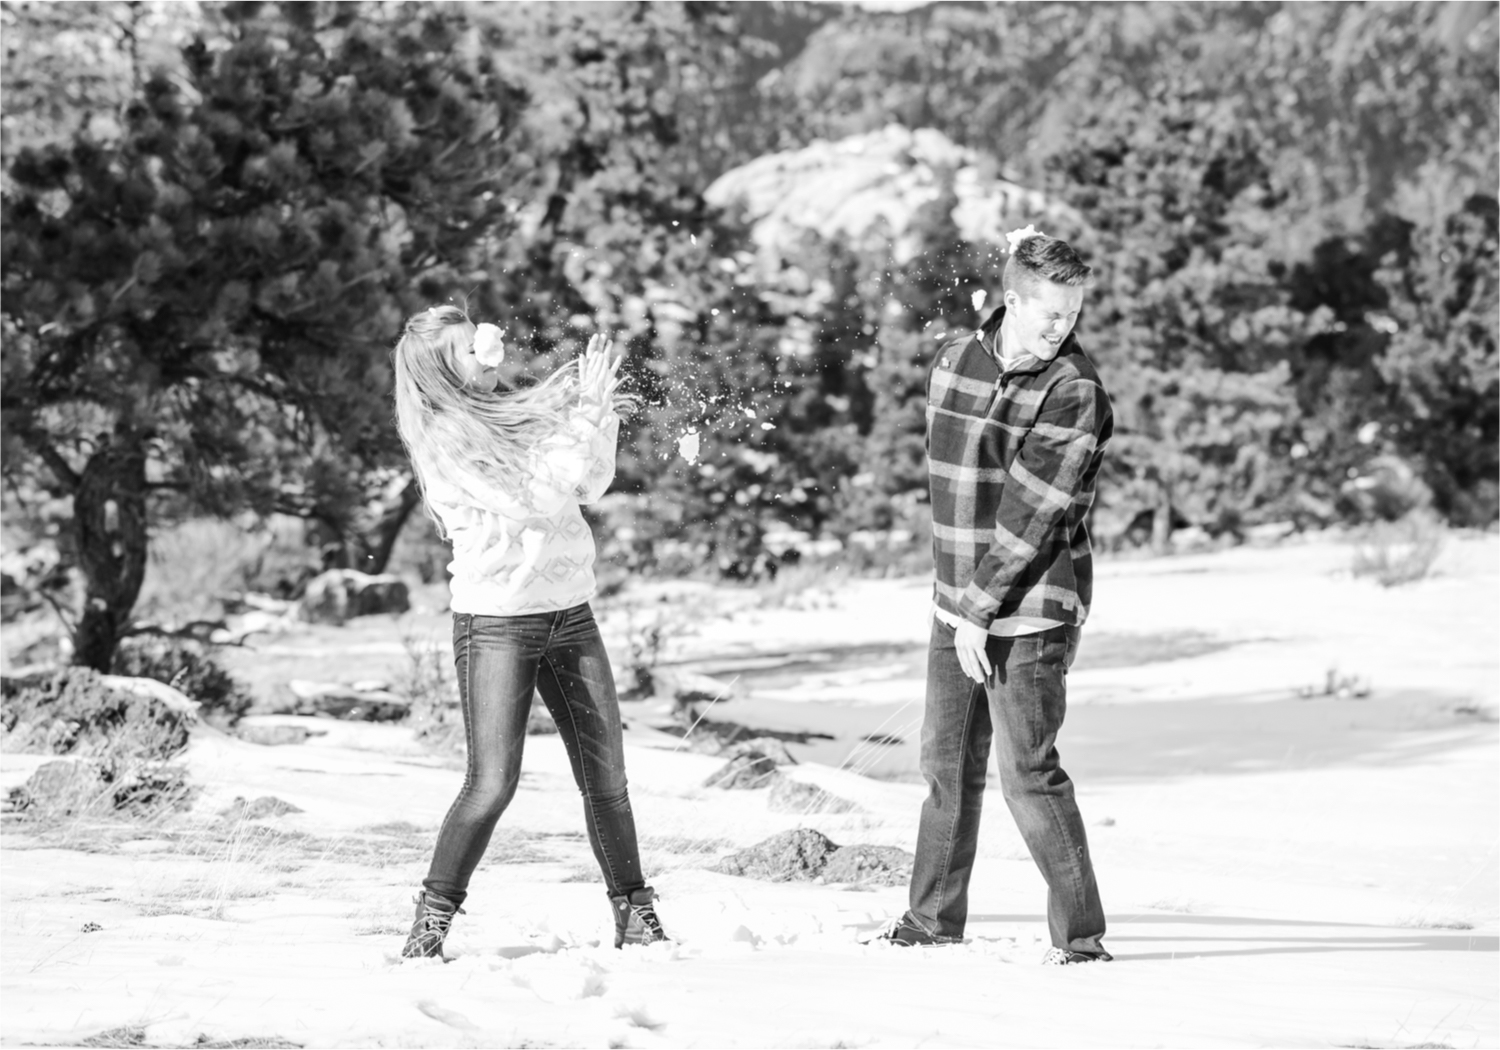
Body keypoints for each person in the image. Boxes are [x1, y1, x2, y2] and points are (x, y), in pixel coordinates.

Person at [391, 304, 668, 959]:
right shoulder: (446, 438)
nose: (487, 354)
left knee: (607, 779)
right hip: (498, 626)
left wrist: (597, 411)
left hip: (570, 613)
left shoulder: (508, 414)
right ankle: (428, 930)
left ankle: (635, 916)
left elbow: (588, 482)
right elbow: (539, 498)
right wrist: (584, 412)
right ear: (442, 370)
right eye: (467, 350)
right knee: (491, 784)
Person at [878, 230, 1114, 964]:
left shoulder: (1072, 389)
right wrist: (959, 606)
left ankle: (1081, 942)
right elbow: (952, 494)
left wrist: (980, 612)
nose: (1061, 327)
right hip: (959, 604)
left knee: (1028, 774)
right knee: (945, 766)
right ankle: (929, 921)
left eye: (1071, 313)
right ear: (1011, 299)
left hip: (1035, 602)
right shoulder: (955, 361)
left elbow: (1031, 515)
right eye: (1048, 313)